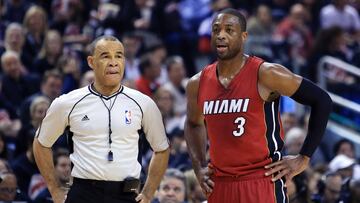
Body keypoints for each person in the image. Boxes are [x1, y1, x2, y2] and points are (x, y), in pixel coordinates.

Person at [184, 8, 332, 203]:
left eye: (229, 30)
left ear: (244, 36)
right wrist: (199, 166)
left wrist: (304, 157)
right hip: (219, 183)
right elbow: (194, 123)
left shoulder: (266, 74)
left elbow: (322, 100)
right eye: (216, 30)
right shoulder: (198, 82)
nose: (221, 35)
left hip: (261, 181)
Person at [33, 35, 170, 203]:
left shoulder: (144, 103)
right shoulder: (67, 102)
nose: (113, 62)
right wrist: (55, 189)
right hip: (84, 193)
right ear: (91, 62)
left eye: (118, 56)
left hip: (127, 194)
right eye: (105, 56)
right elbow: (41, 144)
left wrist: (149, 192)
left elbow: (162, 148)